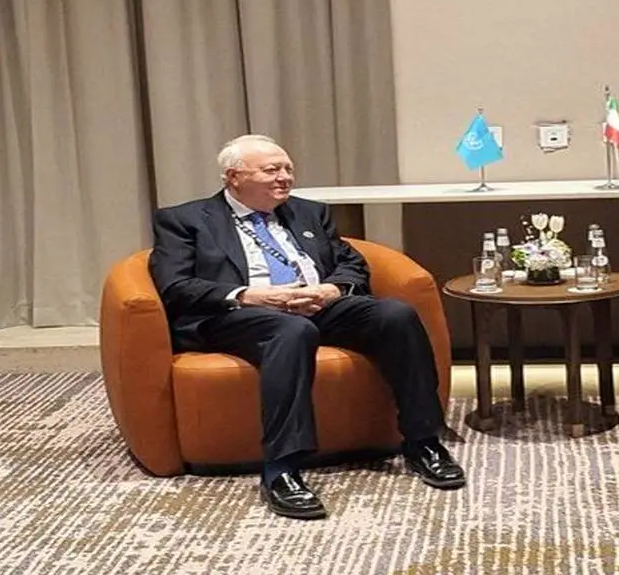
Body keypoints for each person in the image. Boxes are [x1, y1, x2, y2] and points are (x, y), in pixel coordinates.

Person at [149, 134, 464, 520]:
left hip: (316, 305)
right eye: (271, 170)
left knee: (395, 315)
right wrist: (250, 295)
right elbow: (175, 285)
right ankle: (281, 469)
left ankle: (423, 442)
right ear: (233, 177)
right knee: (292, 331)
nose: (284, 177)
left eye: (288, 169)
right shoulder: (185, 220)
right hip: (238, 315)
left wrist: (331, 289)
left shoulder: (309, 212)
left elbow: (352, 263)